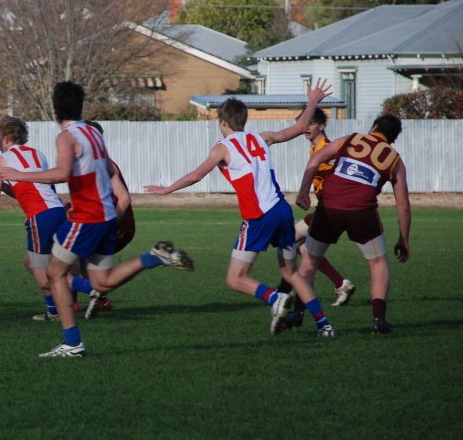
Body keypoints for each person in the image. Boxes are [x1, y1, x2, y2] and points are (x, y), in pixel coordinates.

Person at [0, 81, 194, 357]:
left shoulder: (66, 136)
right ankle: (153, 257)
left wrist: (20, 176)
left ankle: (72, 342)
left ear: (55, 111)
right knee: (102, 282)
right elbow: (107, 172)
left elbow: (61, 173)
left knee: (54, 274)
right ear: (80, 107)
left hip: (86, 217)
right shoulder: (93, 133)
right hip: (105, 217)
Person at [145, 79, 335, 337]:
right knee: (291, 273)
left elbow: (195, 176)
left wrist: (166, 189)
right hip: (282, 211)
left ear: (222, 122)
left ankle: (274, 298)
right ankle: (324, 324)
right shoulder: (262, 138)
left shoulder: (222, 148)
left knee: (235, 278)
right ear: (244, 121)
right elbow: (300, 126)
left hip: (259, 216)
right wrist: (313, 101)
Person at [295, 114, 410, 334]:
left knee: (309, 260)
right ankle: (379, 320)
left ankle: (297, 312)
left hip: (329, 205)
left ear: (374, 126)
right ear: (392, 138)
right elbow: (403, 205)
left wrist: (303, 192)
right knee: (378, 265)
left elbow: (315, 159)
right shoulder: (394, 159)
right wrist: (404, 239)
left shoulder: (352, 139)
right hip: (361, 211)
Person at [0, 115, 71, 321]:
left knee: (41, 272)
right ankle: (59, 308)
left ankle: (88, 292)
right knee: (32, 262)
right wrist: (3, 187)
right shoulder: (38, 154)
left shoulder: (1, 162)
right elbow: (36, 188)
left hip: (41, 216)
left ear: (5, 137)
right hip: (57, 212)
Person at [276, 107, 355, 331]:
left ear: (321, 125)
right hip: (323, 209)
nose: (306, 127)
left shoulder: (326, 148)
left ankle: (284, 293)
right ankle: (340, 284)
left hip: (329, 210)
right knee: (303, 252)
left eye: (311, 123)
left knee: (291, 242)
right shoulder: (315, 148)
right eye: (303, 123)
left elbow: (338, 166)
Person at [78, 120, 136, 319]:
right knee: (77, 257)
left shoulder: (104, 163)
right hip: (107, 223)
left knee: (74, 257)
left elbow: (124, 198)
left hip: (119, 227)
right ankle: (97, 299)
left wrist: (110, 226)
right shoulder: (93, 162)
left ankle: (76, 303)